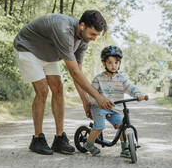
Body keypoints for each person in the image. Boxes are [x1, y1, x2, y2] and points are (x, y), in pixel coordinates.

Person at [13, 10, 115, 155]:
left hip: (48, 54)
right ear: (82, 25)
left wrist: (86, 101)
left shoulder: (83, 41)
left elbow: (78, 73)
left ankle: (59, 138)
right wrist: (98, 97)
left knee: (58, 88)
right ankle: (37, 139)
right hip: (28, 48)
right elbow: (73, 72)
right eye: (92, 34)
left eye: (96, 35)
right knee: (43, 91)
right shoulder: (63, 29)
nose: (94, 38)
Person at [83, 45, 149, 157]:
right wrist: (97, 102)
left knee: (122, 126)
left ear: (120, 63)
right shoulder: (98, 78)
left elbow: (130, 88)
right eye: (110, 62)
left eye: (116, 62)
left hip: (115, 108)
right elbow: (92, 94)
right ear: (104, 63)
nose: (113, 66)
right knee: (99, 126)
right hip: (99, 107)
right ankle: (89, 144)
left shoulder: (121, 78)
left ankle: (125, 148)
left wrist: (138, 95)